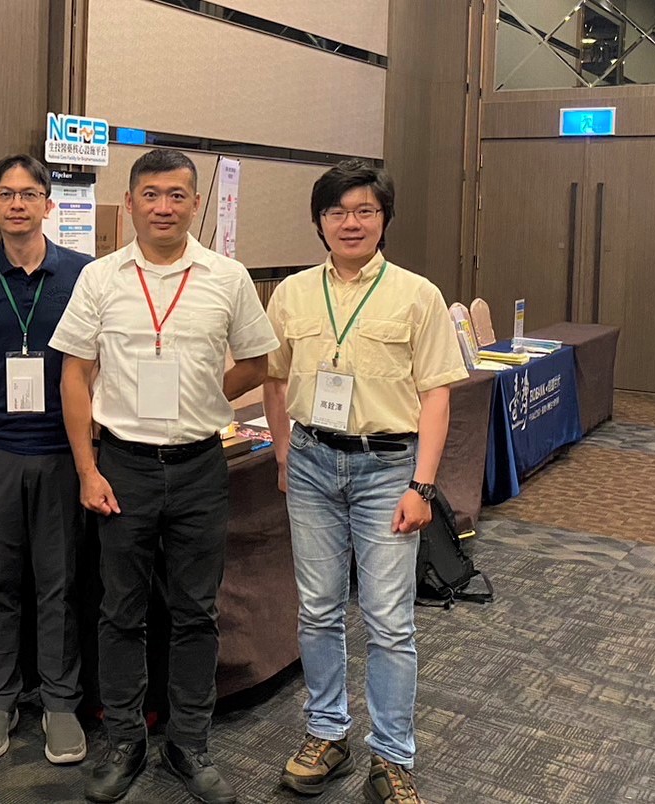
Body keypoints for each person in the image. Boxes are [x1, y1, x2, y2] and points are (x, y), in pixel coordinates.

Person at [49, 149, 277, 804]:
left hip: (200, 464)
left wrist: (203, 396)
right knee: (120, 610)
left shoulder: (227, 278)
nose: (164, 207)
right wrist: (87, 467)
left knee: (196, 612)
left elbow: (258, 364)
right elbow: (74, 375)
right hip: (121, 464)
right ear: (130, 203)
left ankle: (189, 742)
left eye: (178, 195)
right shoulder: (100, 278)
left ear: (195, 204)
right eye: (150, 194)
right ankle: (124, 739)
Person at [262, 160, 467, 804]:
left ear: (384, 219)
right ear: (320, 222)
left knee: (388, 619)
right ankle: (328, 732)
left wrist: (423, 486)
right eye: (337, 212)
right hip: (313, 461)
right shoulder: (291, 291)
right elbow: (274, 376)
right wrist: (281, 452)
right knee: (319, 609)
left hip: (388, 469)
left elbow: (436, 396)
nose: (351, 223)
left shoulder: (417, 294)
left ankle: (393, 755)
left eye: (365, 211)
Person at [0, 154, 90, 764]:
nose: (17, 204)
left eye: (30, 194)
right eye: (5, 194)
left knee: (60, 584)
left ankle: (60, 702)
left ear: (48, 204)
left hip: (62, 451)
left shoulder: (86, 274)